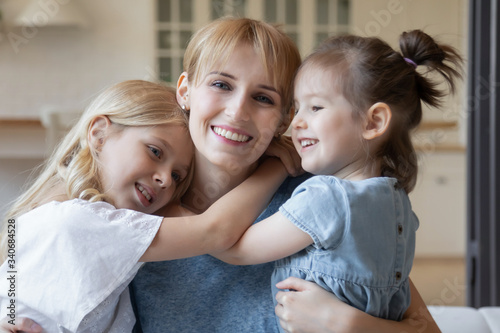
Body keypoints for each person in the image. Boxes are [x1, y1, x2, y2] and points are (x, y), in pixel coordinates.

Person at [3, 17, 446, 333]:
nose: (237, 111)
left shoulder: (315, 201)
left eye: (264, 97)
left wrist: (348, 323)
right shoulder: (139, 198)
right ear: (186, 91)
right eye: (221, 84)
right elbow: (19, 247)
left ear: (285, 117)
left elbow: (420, 325)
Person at [210, 29, 463, 331]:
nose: (297, 122)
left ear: (373, 122)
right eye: (297, 107)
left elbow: (236, 249)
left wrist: (177, 214)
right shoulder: (398, 208)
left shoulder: (326, 198)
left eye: (315, 107)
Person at [0, 80, 291, 332]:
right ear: (99, 133)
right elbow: (215, 231)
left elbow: (10, 291)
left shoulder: (41, 214)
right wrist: (277, 165)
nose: (165, 179)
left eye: (178, 176)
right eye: (155, 152)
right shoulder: (88, 224)